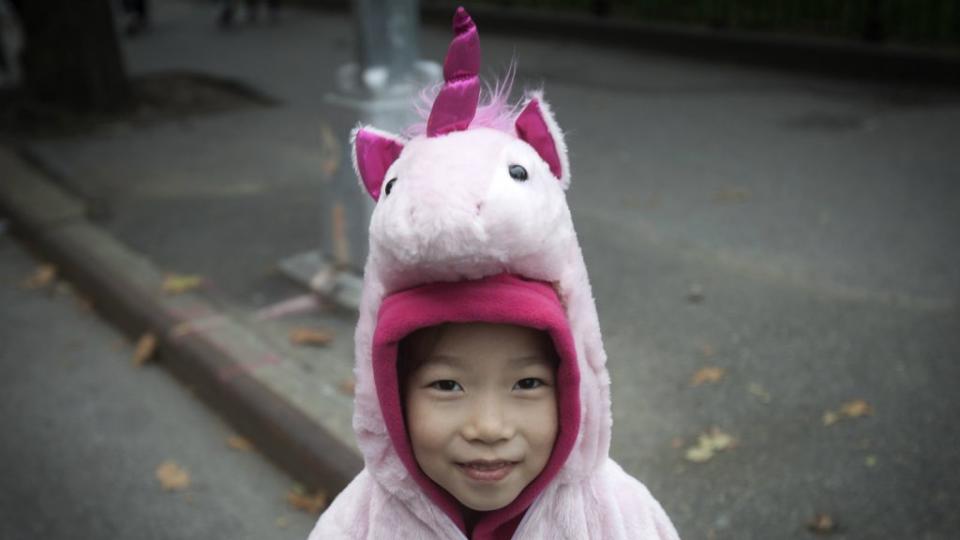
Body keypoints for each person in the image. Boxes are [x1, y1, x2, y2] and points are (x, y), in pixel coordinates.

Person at [308, 7, 679, 539]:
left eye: (527, 382)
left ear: (573, 383)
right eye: (447, 383)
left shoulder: (618, 517)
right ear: (389, 391)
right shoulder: (359, 525)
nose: (489, 427)